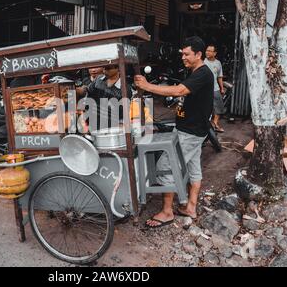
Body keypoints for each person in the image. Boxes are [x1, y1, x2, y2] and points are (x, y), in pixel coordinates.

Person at [134, 36, 214, 227]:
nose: (183, 58)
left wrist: (146, 86)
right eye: (182, 54)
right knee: (193, 167)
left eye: (187, 54)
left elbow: (179, 91)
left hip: (190, 132)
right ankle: (190, 207)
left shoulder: (203, 73)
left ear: (198, 54)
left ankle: (167, 212)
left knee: (165, 167)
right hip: (195, 130)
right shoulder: (196, 71)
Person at [77, 65, 132, 131]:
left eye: (108, 68)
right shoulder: (98, 79)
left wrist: (120, 126)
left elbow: (123, 113)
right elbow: (88, 90)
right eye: (104, 68)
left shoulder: (125, 89)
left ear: (118, 68)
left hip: (112, 127)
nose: (105, 70)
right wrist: (78, 90)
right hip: (92, 124)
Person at [205, 45, 226, 133]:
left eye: (210, 51)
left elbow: (219, 77)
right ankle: (205, 126)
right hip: (204, 90)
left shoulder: (218, 63)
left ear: (215, 53)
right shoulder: (202, 62)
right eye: (206, 50)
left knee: (219, 108)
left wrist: (221, 88)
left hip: (215, 89)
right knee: (205, 108)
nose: (207, 52)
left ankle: (215, 124)